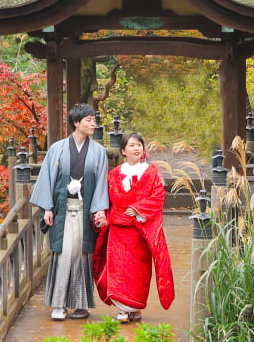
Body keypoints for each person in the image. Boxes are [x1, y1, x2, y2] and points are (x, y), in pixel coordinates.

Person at [30, 103, 110, 320]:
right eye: (88, 120)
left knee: (83, 255)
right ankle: (59, 304)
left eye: (94, 120)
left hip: (85, 210)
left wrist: (100, 210)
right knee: (63, 253)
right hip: (63, 209)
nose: (93, 123)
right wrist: (47, 206)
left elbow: (102, 182)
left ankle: (81, 305)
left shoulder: (99, 152)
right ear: (76, 122)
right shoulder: (57, 149)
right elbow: (47, 178)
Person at [93, 132, 174, 322]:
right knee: (119, 270)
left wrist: (137, 209)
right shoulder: (114, 174)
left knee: (139, 272)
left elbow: (158, 197)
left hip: (139, 231)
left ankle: (135, 308)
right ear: (123, 151)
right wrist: (102, 214)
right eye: (131, 145)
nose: (136, 148)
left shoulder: (151, 172)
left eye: (139, 145)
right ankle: (123, 310)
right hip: (118, 231)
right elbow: (107, 199)